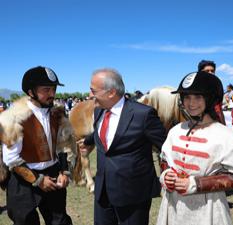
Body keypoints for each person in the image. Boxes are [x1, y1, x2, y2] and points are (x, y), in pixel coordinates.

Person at [156, 71, 233, 225]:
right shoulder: (175, 130)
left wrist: (196, 184)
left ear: (210, 99)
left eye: (198, 97)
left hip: (208, 208)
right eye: (187, 97)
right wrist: (166, 174)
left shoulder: (227, 135)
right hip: (173, 205)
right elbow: (165, 159)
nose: (191, 103)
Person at [78, 68, 167, 225]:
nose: (90, 95)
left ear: (111, 92)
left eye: (93, 90)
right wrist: (88, 140)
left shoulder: (143, 115)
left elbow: (166, 147)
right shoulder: (99, 111)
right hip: (102, 192)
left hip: (133, 195)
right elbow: (102, 132)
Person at [0, 66, 73, 225]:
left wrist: (64, 171)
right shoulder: (13, 117)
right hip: (23, 180)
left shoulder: (57, 113)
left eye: (53, 89)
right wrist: (38, 180)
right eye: (46, 89)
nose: (52, 94)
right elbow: (11, 159)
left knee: (60, 221)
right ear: (31, 91)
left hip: (53, 173)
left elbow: (63, 146)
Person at [198, 59, 226, 125]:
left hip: (217, 121)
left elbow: (219, 108)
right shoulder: (194, 86)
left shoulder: (218, 86)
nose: (210, 73)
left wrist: (223, 124)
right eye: (207, 71)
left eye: (212, 71)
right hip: (200, 123)